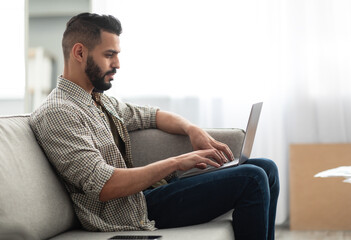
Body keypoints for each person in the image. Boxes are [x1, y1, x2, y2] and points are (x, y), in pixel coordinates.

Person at [29, 12, 279, 240]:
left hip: (146, 196)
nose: (117, 64)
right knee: (252, 178)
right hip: (129, 212)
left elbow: (153, 116)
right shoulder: (59, 112)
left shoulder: (98, 100)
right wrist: (178, 162)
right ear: (80, 53)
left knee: (266, 168)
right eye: (109, 55)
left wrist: (193, 130)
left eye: (117, 54)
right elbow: (105, 186)